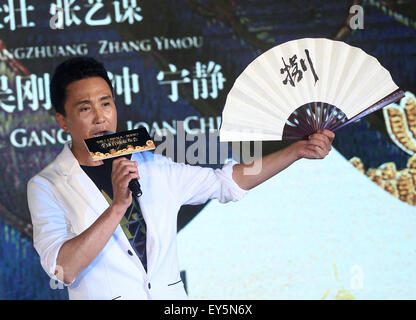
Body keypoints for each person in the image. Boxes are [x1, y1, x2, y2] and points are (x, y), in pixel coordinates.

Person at [27, 57, 334, 300]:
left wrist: (296, 151)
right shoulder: (48, 185)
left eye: (106, 103)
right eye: (85, 108)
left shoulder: (149, 164)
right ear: (63, 121)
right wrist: (118, 206)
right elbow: (62, 269)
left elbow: (226, 182)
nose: (100, 117)